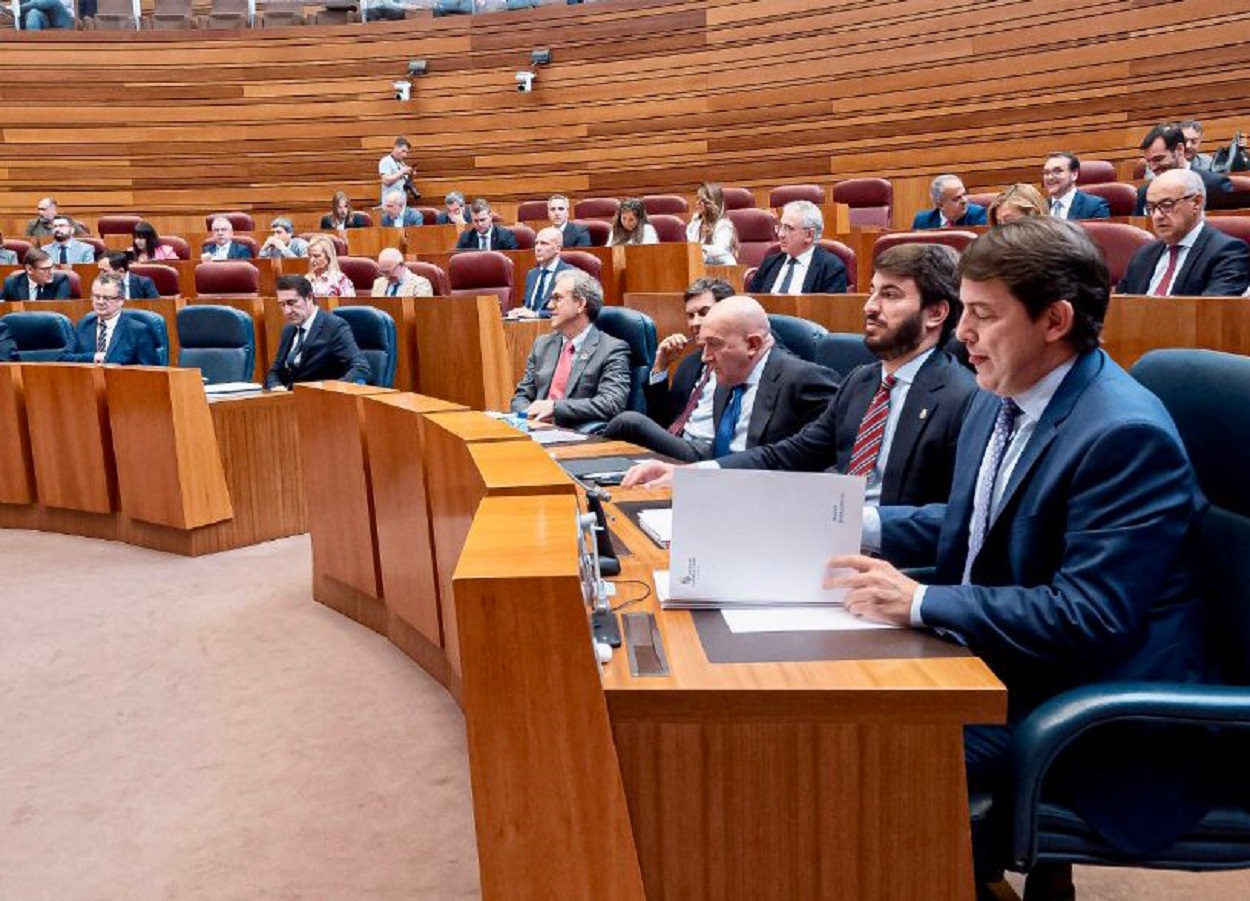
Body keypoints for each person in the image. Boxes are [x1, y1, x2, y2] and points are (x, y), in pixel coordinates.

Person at [825, 218, 1204, 886]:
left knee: (869, 745)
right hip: (999, 662)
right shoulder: (1002, 393)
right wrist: (861, 524)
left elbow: (1090, 614)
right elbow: (978, 521)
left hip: (1088, 711)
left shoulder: (1123, 435)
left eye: (982, 315)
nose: (962, 333)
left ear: (1054, 319)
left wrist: (919, 599)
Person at [624, 245, 975, 497]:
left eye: (891, 295)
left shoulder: (962, 397)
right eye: (871, 293)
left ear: (935, 314)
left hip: (891, 563)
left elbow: (954, 516)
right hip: (822, 532)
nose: (870, 307)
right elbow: (791, 454)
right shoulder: (863, 381)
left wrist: (850, 521)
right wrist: (692, 475)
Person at [607, 292, 837, 462]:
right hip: (713, 483)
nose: (705, 358)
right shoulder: (729, 376)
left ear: (753, 344)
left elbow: (831, 456)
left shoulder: (804, 379)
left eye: (714, 345)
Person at [510, 270, 630, 430]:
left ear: (580, 304)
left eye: (557, 298)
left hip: (578, 438)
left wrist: (554, 408)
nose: (549, 305)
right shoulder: (542, 344)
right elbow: (522, 395)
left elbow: (611, 403)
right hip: (534, 431)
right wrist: (526, 416)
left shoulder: (612, 349)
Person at [1117, 169, 1250, 296]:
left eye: (1166, 205)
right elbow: (1116, 309)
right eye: (1151, 208)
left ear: (1196, 202)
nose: (1157, 216)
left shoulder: (1228, 252)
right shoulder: (1143, 255)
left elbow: (1212, 313)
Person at [265, 275, 371, 390]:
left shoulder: (334, 326)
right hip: (292, 400)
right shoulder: (289, 330)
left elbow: (361, 369)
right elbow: (275, 372)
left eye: (291, 303)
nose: (287, 311)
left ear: (309, 297)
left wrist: (327, 390)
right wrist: (276, 387)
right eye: (282, 304)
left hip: (323, 401)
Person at [746, 200, 848, 294]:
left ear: (809, 235)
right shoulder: (770, 263)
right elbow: (752, 301)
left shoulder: (831, 268)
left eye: (789, 229)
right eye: (781, 227)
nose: (781, 234)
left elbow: (830, 310)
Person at [60, 273, 161, 365]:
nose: (100, 302)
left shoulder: (138, 331)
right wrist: (93, 357)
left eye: (107, 298)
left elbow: (152, 371)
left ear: (121, 300)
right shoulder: (84, 325)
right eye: (96, 296)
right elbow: (64, 359)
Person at [1134, 124, 1234, 215]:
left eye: (1158, 159)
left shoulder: (1215, 185)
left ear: (1180, 149)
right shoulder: (1144, 193)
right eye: (1149, 162)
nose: (1152, 168)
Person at [507, 227, 572, 319]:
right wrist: (519, 312)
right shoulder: (532, 274)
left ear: (557, 248)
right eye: (536, 243)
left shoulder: (569, 274)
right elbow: (528, 306)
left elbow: (567, 311)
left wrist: (537, 315)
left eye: (544, 243)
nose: (538, 248)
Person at [1040, 152, 1110, 220]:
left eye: (1057, 171)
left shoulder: (1095, 206)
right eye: (1046, 173)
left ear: (1074, 175)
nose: (1050, 177)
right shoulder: (1040, 208)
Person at [686, 182, 738, 264]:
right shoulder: (694, 225)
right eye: (697, 199)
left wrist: (698, 249)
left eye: (703, 200)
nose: (698, 203)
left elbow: (720, 251)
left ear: (712, 202)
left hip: (721, 269)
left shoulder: (723, 225)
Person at [912, 175, 988, 229]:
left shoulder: (978, 216)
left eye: (964, 195)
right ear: (940, 204)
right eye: (956, 199)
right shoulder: (922, 221)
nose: (964, 201)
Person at [2, 248, 72, 301]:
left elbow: (59, 310)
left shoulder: (61, 280)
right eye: (45, 269)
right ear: (29, 269)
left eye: (52, 267)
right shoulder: (11, 283)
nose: (51, 272)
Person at [378, 136, 415, 205]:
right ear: (396, 147)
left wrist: (411, 175)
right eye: (403, 151)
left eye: (406, 152)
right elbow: (386, 180)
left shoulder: (401, 163)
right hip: (390, 204)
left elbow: (405, 183)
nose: (405, 155)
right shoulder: (386, 161)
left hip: (401, 203)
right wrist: (402, 172)